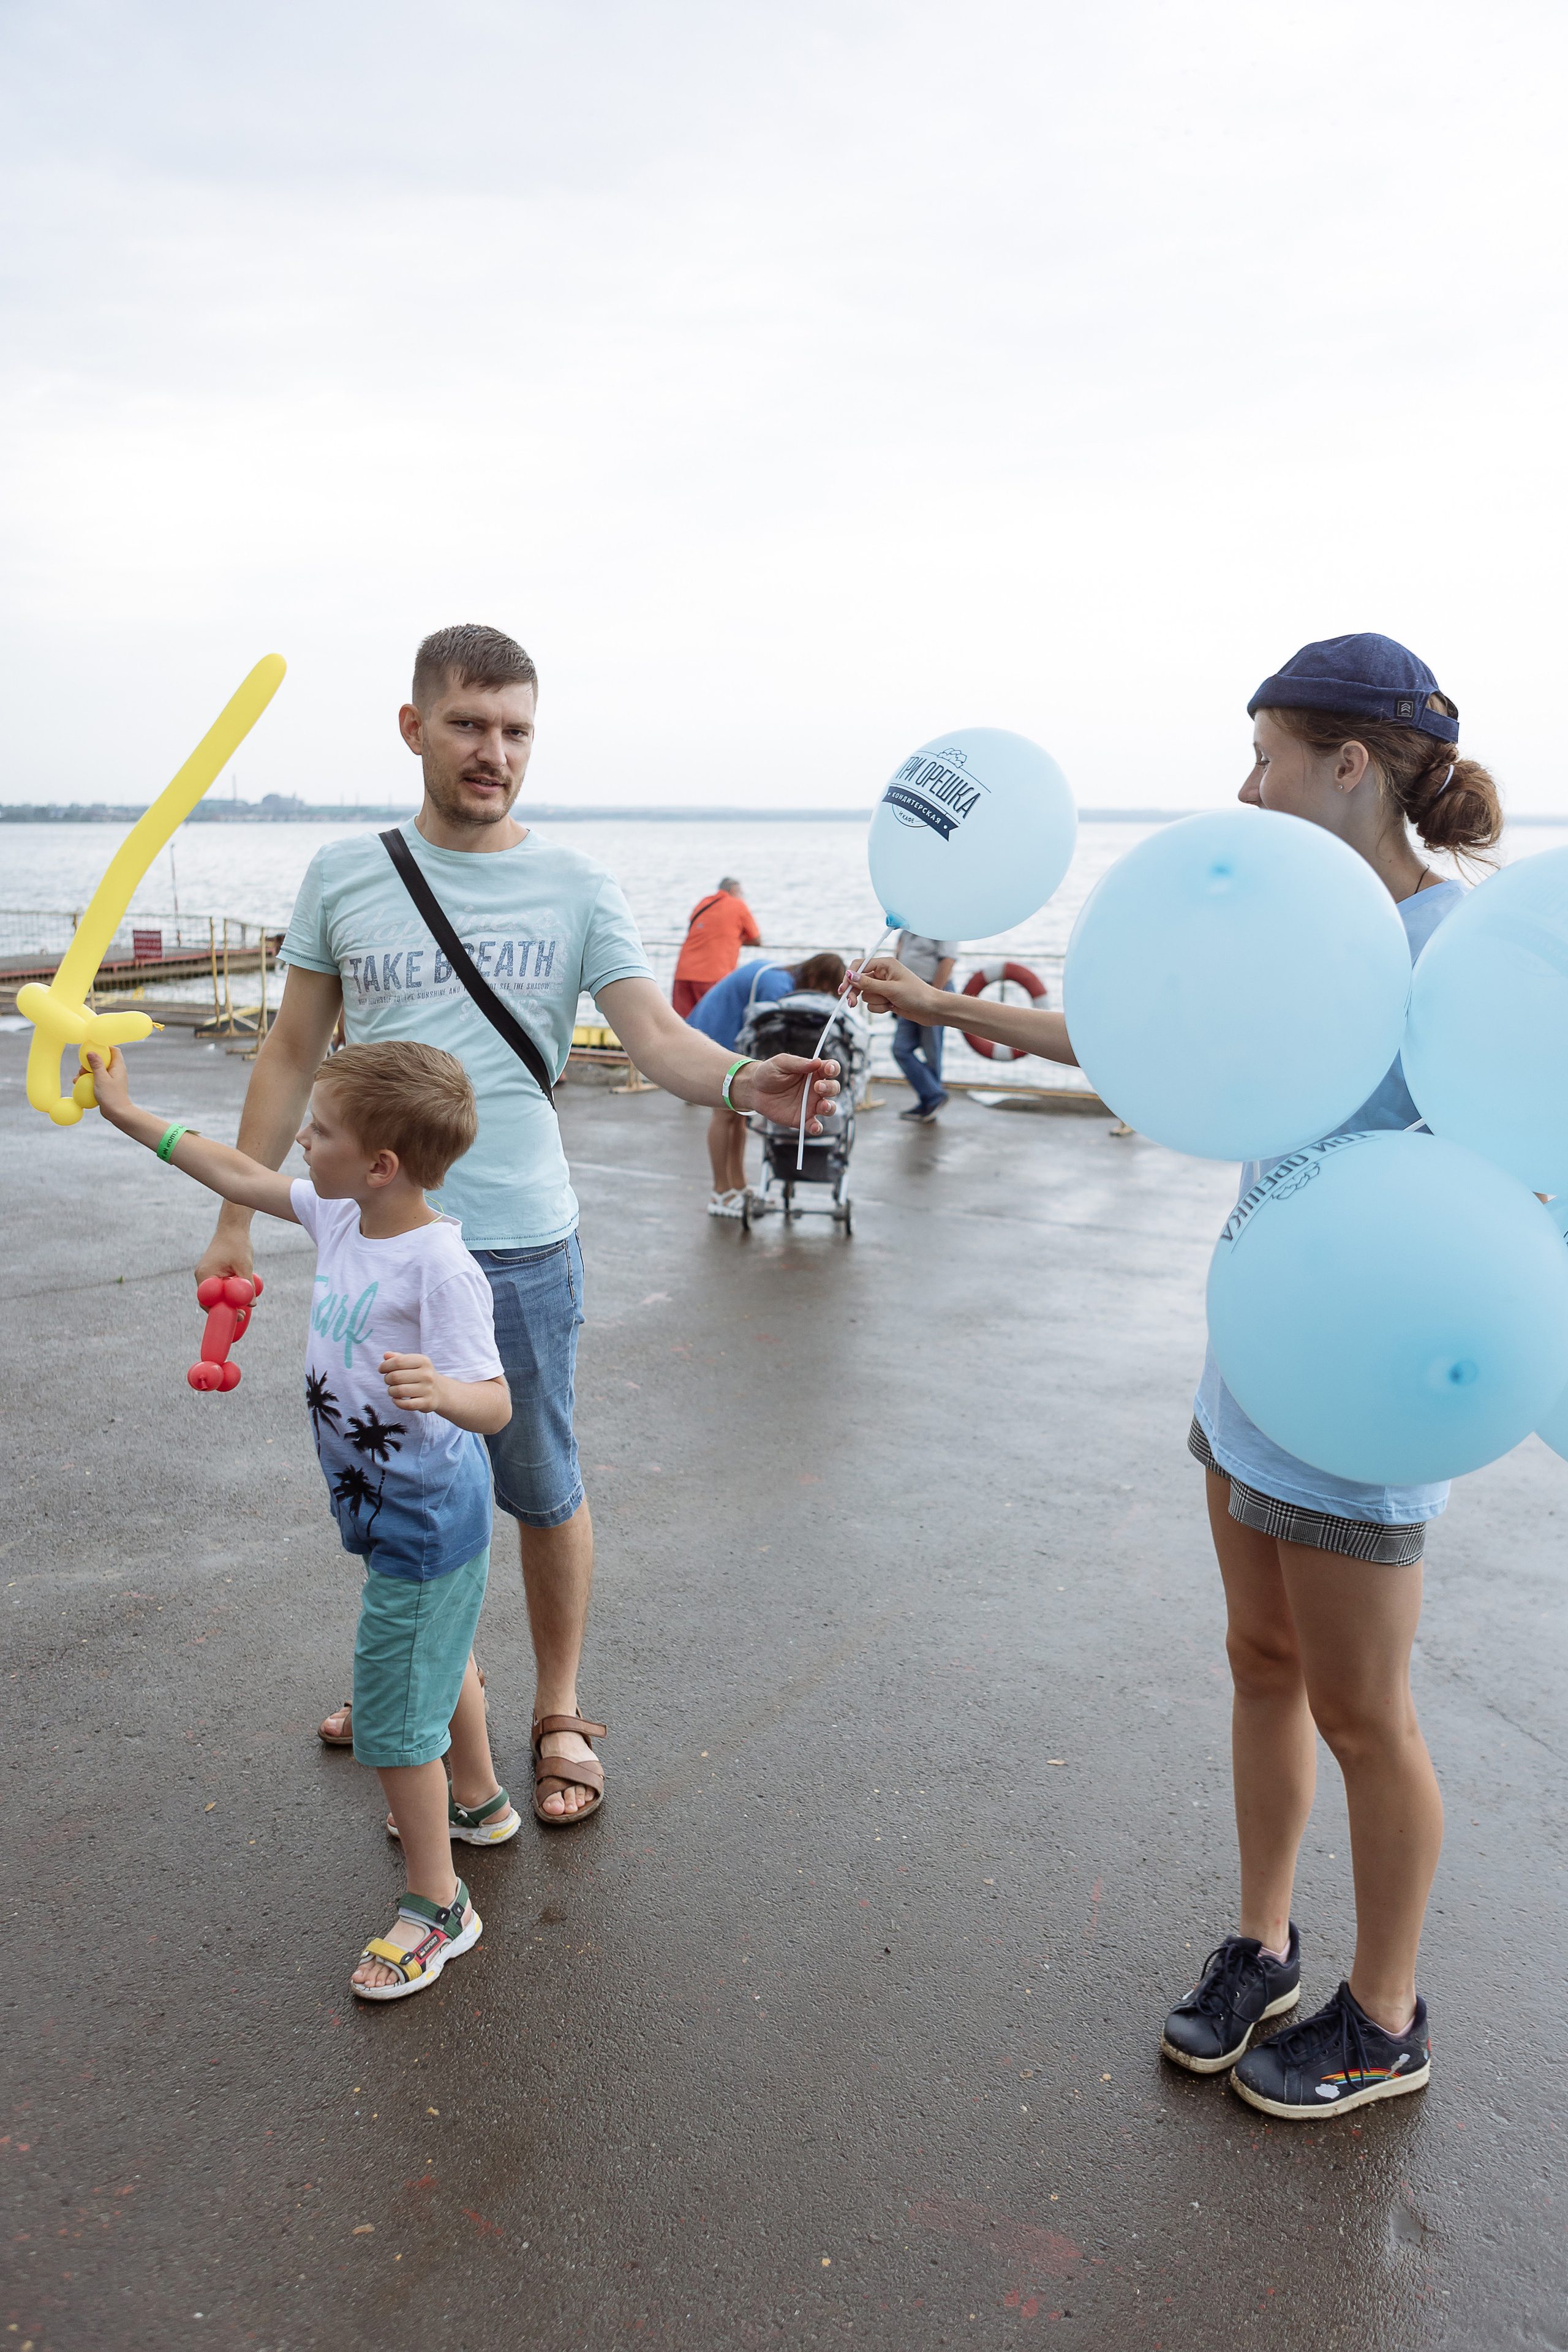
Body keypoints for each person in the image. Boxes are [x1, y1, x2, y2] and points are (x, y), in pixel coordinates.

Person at [851, 632, 1503, 2120]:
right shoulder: (1292, 929)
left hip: (1370, 1374)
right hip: (1248, 1350)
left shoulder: (1456, 950)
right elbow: (1151, 1044)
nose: (1242, 783)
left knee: (1363, 1712)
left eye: (1265, 753)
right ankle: (1259, 1944)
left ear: (1348, 765)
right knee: (1259, 1664)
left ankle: (1383, 2014)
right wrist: (951, 1012)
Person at [193, 624, 840, 1826]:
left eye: (515, 732)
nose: (493, 753)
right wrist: (234, 1214)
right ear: (414, 730)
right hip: (375, 1240)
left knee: (535, 1484)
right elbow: (291, 1052)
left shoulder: (578, 882)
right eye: (469, 726)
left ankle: (556, 1710)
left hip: (522, 1242)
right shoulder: (346, 872)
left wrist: (741, 1080)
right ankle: (425, 1685)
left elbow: (649, 1032)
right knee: (390, 1476)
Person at [89, 1038, 519, 2002]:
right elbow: (235, 1168)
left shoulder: (439, 1265)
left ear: (382, 1164)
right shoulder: (340, 1214)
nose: (302, 1141)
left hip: (422, 1515)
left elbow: (495, 1403)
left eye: (320, 1131)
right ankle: (482, 1806)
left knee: (397, 1718)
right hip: (381, 1502)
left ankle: (438, 1907)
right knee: (437, 1657)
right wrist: (127, 1115)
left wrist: (443, 1392)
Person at [685, 952, 847, 1214]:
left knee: (739, 1117)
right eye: (825, 989)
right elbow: (766, 1032)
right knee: (724, 1115)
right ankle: (720, 1192)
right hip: (716, 1034)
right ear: (815, 977)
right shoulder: (777, 985)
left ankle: (738, 1186)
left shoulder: (782, 977)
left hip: (729, 1035)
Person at [890, 930, 957, 1122]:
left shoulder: (944, 924)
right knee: (900, 1049)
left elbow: (948, 961)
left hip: (932, 992)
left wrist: (933, 996)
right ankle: (933, 1095)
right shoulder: (908, 926)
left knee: (932, 1051)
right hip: (908, 993)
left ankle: (930, 1100)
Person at [671, 876, 761, 1016]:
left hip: (683, 975)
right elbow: (757, 940)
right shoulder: (738, 905)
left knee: (685, 1024)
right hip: (713, 975)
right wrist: (737, 938)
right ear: (734, 891)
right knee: (715, 1022)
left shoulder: (703, 903)